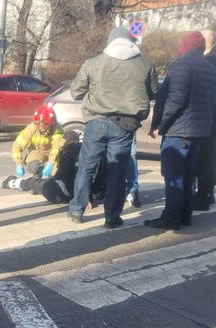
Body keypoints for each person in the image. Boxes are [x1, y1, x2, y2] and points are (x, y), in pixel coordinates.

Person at [67, 26, 158, 229]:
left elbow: (75, 92)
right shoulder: (145, 63)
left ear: (110, 41)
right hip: (125, 124)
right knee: (117, 170)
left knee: (87, 166)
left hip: (96, 121)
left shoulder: (93, 63)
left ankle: (76, 210)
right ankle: (112, 216)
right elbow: (153, 92)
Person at [144, 32, 216, 230]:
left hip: (179, 130)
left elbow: (176, 99)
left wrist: (161, 125)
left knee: (173, 175)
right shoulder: (212, 70)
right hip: (199, 131)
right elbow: (211, 102)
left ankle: (171, 217)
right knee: (188, 174)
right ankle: (185, 214)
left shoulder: (183, 65)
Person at [4, 131, 108, 205]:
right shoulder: (96, 154)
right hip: (89, 193)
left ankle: (12, 182)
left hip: (63, 193)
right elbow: (98, 177)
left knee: (36, 183)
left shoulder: (68, 153)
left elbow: (61, 178)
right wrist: (90, 195)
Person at [195, 30, 216, 210]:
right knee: (211, 156)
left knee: (204, 157)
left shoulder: (212, 61)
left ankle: (203, 196)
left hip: (208, 116)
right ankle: (209, 193)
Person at [10, 106, 65, 180]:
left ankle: (51, 179)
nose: (41, 126)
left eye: (45, 124)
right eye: (38, 123)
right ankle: (39, 177)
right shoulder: (32, 127)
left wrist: (50, 163)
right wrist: (18, 163)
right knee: (34, 166)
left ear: (51, 123)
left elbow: (56, 148)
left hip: (52, 152)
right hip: (37, 151)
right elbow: (18, 145)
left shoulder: (57, 128)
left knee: (55, 173)